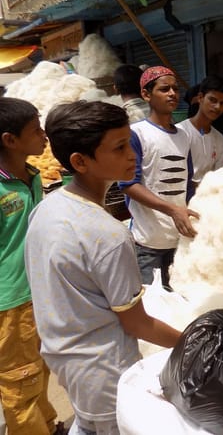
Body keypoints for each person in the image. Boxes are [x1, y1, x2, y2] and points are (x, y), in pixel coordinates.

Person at [24, 100, 182, 435]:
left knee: (87, 425)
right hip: (107, 373)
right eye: (119, 147)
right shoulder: (108, 235)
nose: (132, 155)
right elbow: (137, 323)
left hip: (66, 362)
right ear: (80, 161)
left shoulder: (47, 208)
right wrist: (190, 342)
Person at [0, 98, 60, 435]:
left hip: (37, 291)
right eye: (36, 130)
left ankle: (46, 425)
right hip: (10, 302)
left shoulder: (33, 176)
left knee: (40, 367)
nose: (44, 136)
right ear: (10, 140)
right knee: (19, 381)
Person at [118, 66, 199, 289]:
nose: (172, 93)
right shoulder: (136, 134)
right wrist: (172, 210)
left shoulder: (184, 136)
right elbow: (128, 184)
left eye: (175, 88)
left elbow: (187, 185)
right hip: (148, 245)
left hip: (180, 243)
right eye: (164, 89)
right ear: (146, 94)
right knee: (153, 304)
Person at [176, 76, 223, 186]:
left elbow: (221, 176)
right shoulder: (180, 132)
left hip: (209, 195)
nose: (217, 107)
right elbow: (175, 176)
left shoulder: (219, 138)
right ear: (200, 98)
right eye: (213, 100)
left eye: (222, 103)